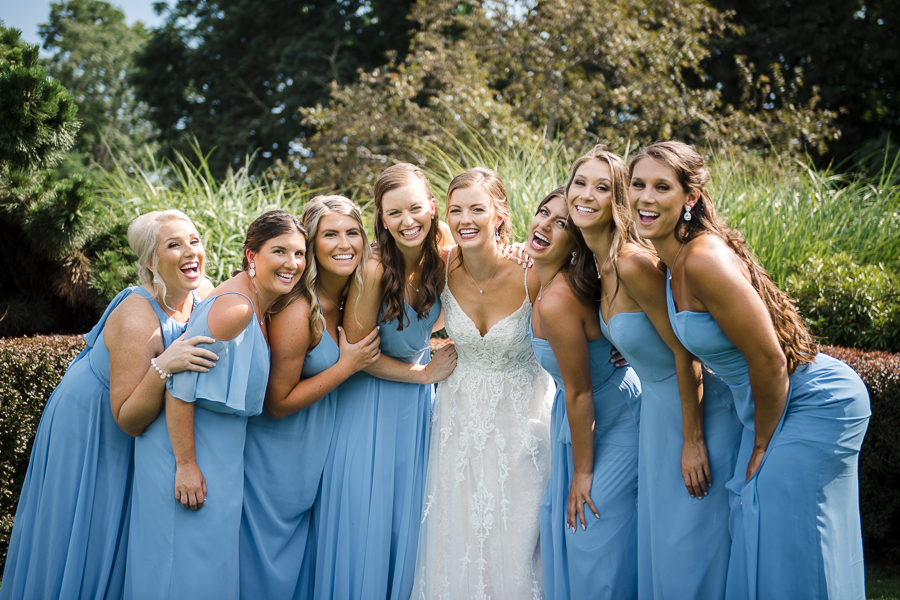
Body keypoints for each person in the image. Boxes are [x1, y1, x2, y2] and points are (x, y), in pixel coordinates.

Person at [629, 140, 870, 599]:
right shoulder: (670, 261)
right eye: (638, 184)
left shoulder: (702, 259)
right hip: (771, 403)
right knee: (755, 528)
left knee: (784, 532)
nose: (646, 197)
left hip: (814, 400)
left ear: (690, 197)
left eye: (662, 187)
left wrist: (761, 444)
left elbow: (769, 359)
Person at [1, 210, 217, 600]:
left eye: (194, 241)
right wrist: (163, 366)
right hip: (92, 419)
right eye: (174, 245)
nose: (191, 252)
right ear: (150, 263)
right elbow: (129, 420)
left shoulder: (202, 293)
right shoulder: (138, 317)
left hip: (135, 408)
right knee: (85, 526)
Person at [566, 146, 743, 599]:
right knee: (664, 545)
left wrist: (693, 440)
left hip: (695, 412)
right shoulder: (598, 266)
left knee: (690, 545)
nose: (587, 195)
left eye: (602, 187)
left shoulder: (630, 262)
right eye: (579, 183)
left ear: (618, 201)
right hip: (657, 415)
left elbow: (687, 354)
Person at [125, 210, 307, 600]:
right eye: (280, 251)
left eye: (299, 253)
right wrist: (187, 465)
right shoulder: (237, 308)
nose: (292, 263)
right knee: (183, 571)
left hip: (219, 456)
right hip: (188, 453)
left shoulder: (254, 301)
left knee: (211, 572)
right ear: (251, 255)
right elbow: (180, 386)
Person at [314, 164, 457, 600]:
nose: (407, 221)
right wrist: (425, 374)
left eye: (415, 208)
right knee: (365, 524)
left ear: (432, 207)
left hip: (414, 412)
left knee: (407, 523)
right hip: (367, 407)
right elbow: (356, 356)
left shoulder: (447, 245)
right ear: (381, 216)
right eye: (394, 213)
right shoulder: (374, 268)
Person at [412, 167, 553, 599]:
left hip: (523, 425)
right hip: (456, 421)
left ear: (499, 214)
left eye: (478, 209)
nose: (466, 219)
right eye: (456, 210)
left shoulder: (532, 271)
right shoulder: (442, 262)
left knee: (516, 540)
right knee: (452, 535)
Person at [239, 196, 381, 598]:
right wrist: (346, 366)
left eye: (352, 233)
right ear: (312, 243)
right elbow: (278, 402)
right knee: (268, 565)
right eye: (330, 234)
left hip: (316, 451)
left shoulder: (354, 294)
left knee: (302, 563)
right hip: (276, 454)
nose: (344, 244)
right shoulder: (298, 306)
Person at [525, 187, 642, 599]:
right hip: (579, 421)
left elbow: (579, 392)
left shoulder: (558, 297)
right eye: (543, 213)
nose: (544, 225)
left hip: (612, 419)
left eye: (561, 224)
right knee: (567, 526)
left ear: (576, 242)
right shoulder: (538, 280)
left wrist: (583, 472)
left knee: (591, 531)